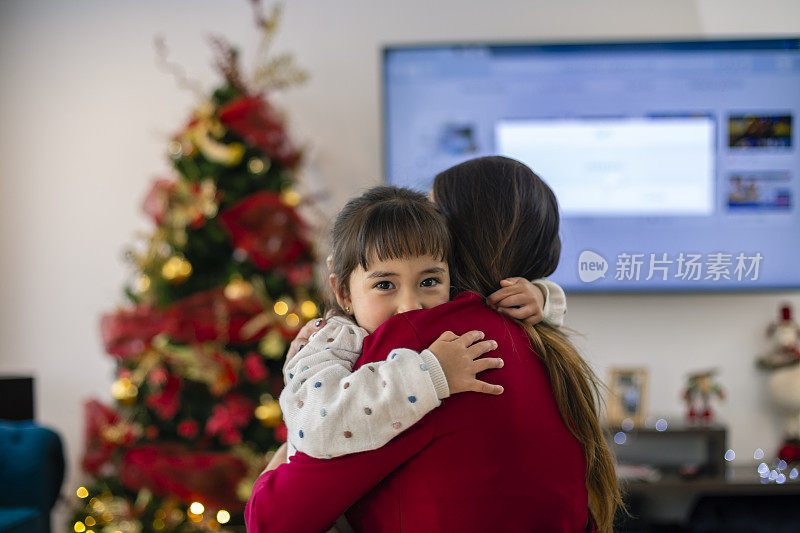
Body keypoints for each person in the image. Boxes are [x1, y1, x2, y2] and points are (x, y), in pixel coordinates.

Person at [246, 156, 620, 532]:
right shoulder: (546, 339)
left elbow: (273, 520)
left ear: (452, 240)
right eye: (385, 284)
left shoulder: (426, 340)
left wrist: (279, 458)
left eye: (430, 215)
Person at [278, 186, 566, 460]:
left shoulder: (448, 318)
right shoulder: (334, 340)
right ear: (343, 293)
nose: (410, 306)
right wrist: (431, 374)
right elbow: (313, 425)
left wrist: (542, 297)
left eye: (429, 282)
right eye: (385, 285)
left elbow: (499, 297)